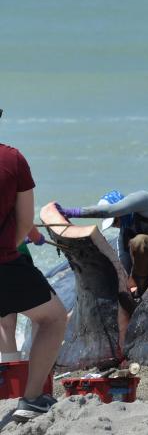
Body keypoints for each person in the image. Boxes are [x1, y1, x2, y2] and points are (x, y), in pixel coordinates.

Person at [1, 138, 67, 423]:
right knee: (54, 318)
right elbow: (26, 221)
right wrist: (9, 251)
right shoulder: (13, 159)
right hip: (3, 262)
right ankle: (31, 399)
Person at [58, 190, 148, 297]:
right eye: (113, 224)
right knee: (139, 242)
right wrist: (125, 287)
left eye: (115, 220)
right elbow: (123, 266)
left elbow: (110, 210)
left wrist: (72, 212)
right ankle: (145, 292)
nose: (116, 225)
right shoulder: (126, 234)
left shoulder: (143, 200)